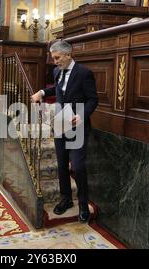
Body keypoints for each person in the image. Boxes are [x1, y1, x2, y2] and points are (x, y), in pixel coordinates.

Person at [30, 40, 98, 223]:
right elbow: (58, 89)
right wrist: (42, 92)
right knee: (61, 165)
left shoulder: (84, 73)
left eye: (57, 58)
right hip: (60, 124)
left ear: (68, 55)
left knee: (77, 166)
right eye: (53, 58)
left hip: (78, 125)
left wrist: (82, 115)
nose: (55, 61)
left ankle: (83, 204)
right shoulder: (56, 71)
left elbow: (93, 100)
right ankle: (66, 199)